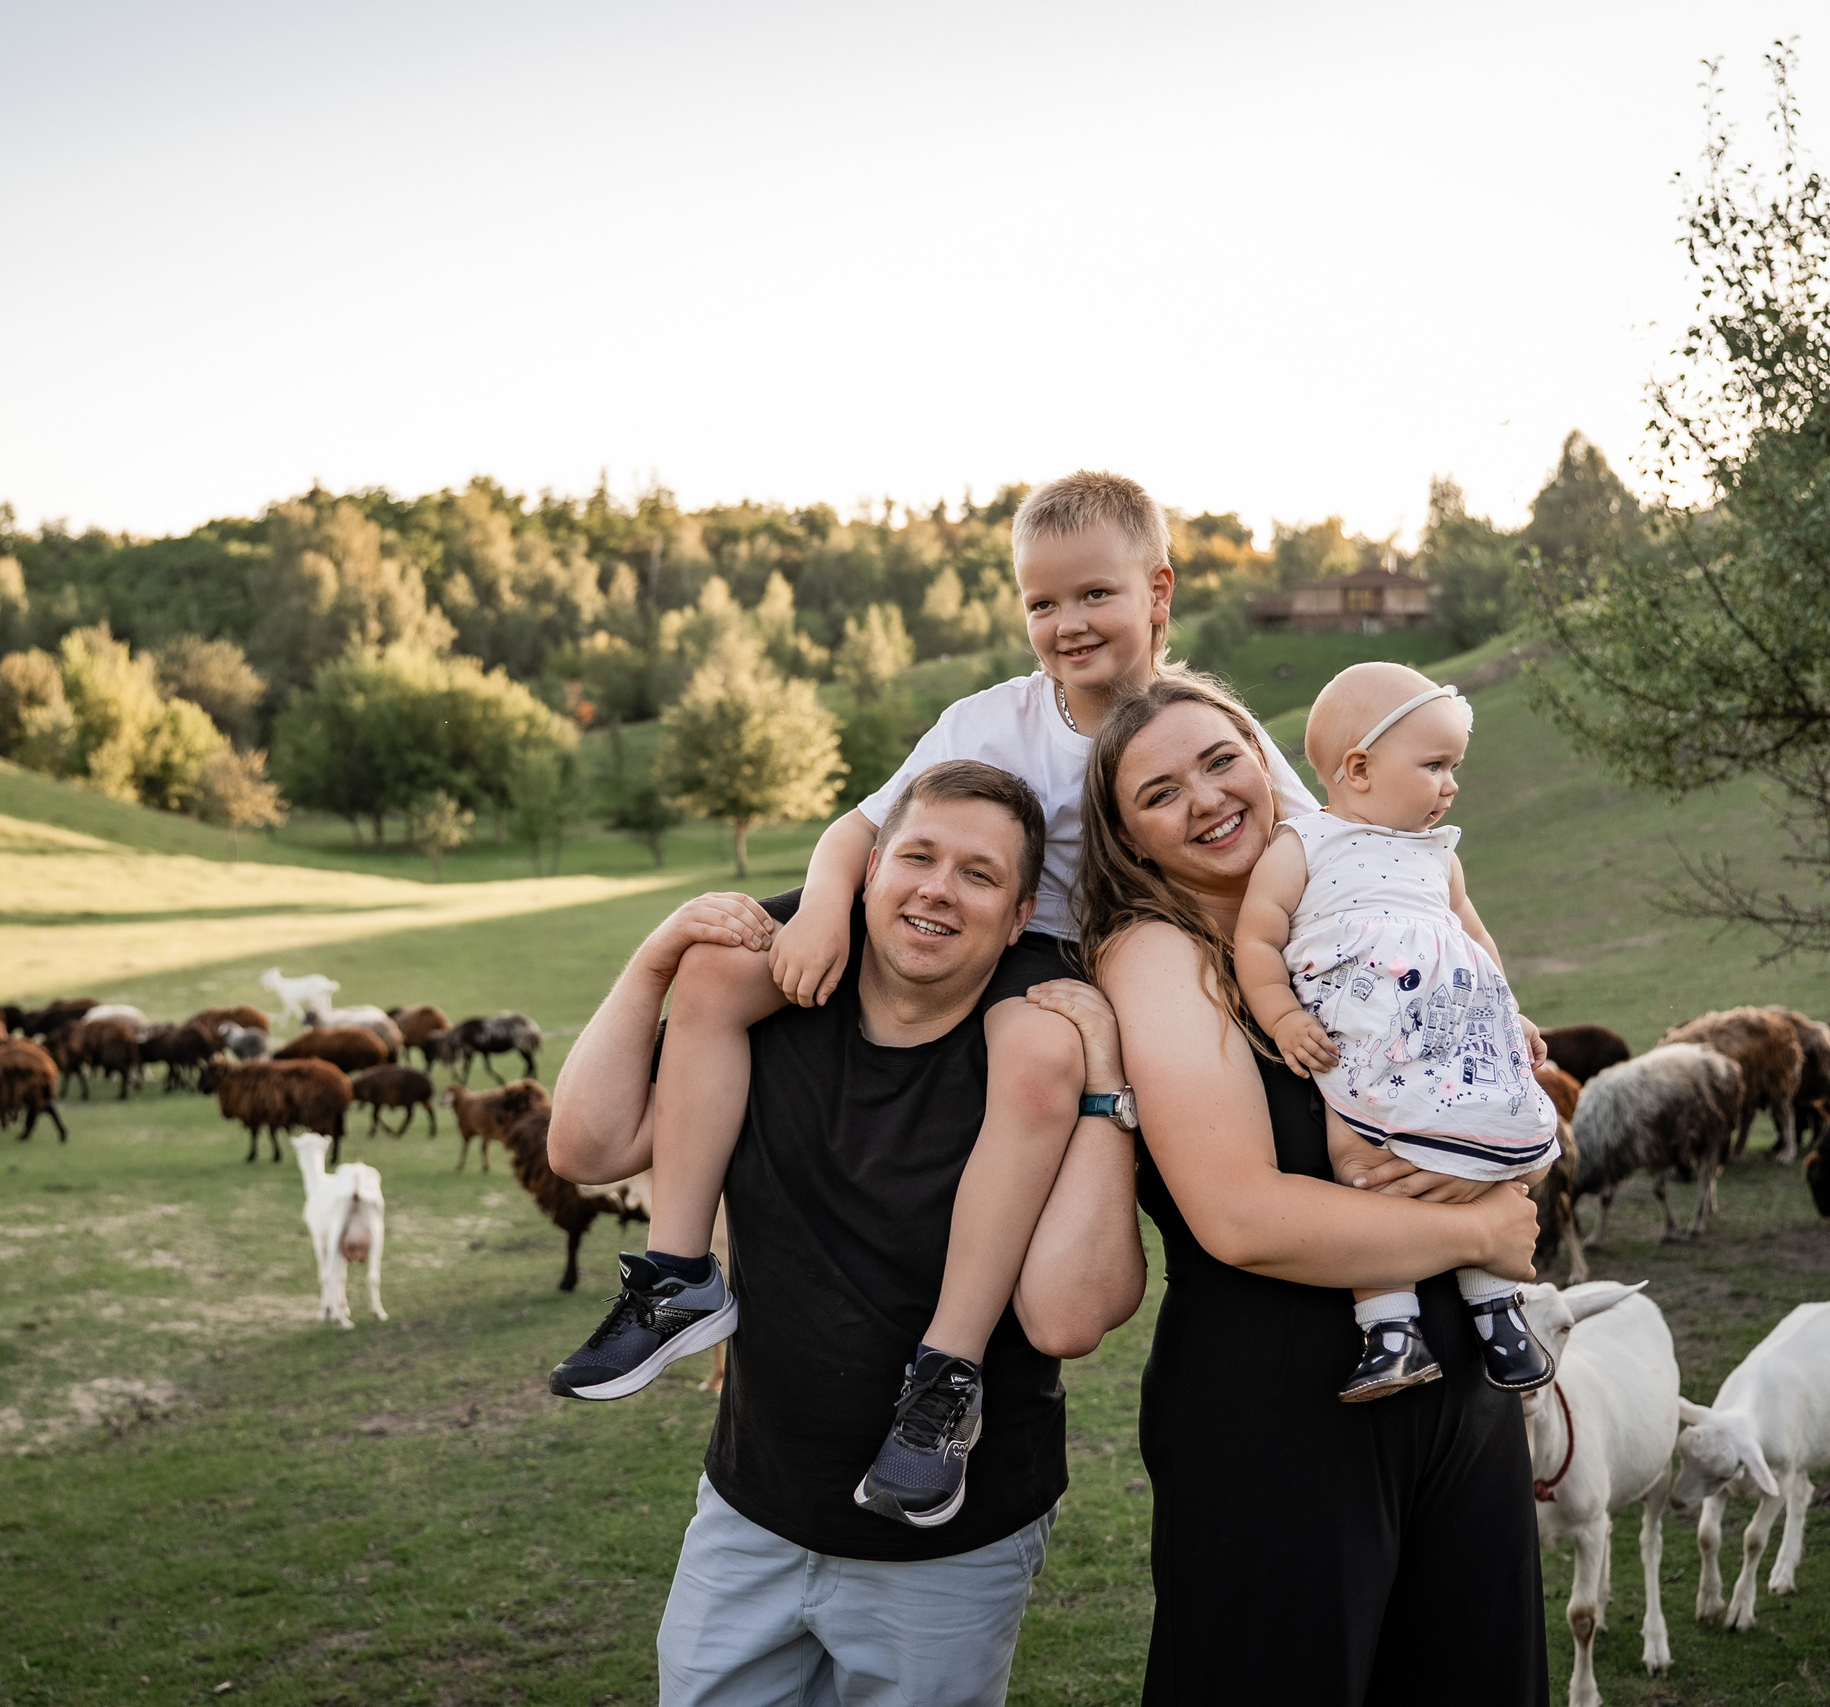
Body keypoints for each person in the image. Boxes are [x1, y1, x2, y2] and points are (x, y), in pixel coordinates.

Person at [549, 470, 1315, 1530]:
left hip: (1053, 949)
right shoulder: (990, 719)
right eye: (1041, 605)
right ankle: (680, 1271)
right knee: (720, 967)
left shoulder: (1205, 729)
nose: (1066, 624)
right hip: (927, 902)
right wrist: (824, 907)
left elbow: (1325, 853)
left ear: (1159, 591)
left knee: (1042, 1056)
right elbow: (861, 831)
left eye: (1093, 595)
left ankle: (946, 1368)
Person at [545, 760, 1147, 1707]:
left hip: (951, 1542)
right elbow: (584, 1145)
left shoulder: (1041, 1032)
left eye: (979, 875)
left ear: (1023, 905)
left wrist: (1107, 1089)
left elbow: (1072, 1316)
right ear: (869, 869)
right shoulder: (771, 992)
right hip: (753, 1509)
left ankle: (944, 1379)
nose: (940, 889)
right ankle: (677, 1280)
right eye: (919, 856)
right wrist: (655, 956)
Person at [1072, 673, 1550, 1704]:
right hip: (1282, 1408)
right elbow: (1240, 1216)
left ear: (1264, 759)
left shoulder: (1366, 895)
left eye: (1218, 761)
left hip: (1461, 1392)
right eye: (1159, 794)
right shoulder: (1162, 956)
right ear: (1128, 841)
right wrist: (1479, 1236)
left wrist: (1510, 1159)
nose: (1203, 799)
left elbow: (1490, 1079)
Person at [1231, 661, 1560, 1402]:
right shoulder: (1303, 845)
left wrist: (1511, 1012)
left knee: (1480, 1155)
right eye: (1436, 765)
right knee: (1363, 1163)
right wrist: (1282, 1015)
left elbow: (1475, 941)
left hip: (1449, 1037)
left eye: (1454, 767)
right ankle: (1389, 1325)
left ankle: (1495, 1309)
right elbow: (1256, 938)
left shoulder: (1439, 856)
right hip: (1365, 1043)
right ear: (1359, 768)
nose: (1451, 785)